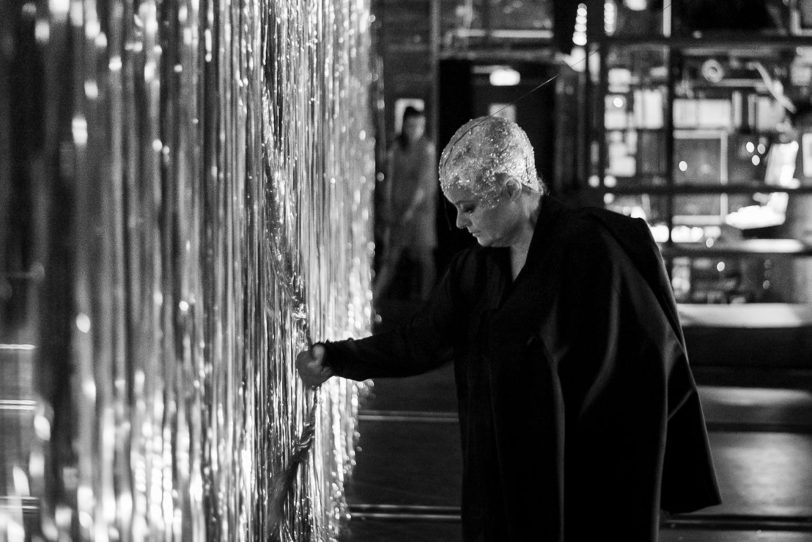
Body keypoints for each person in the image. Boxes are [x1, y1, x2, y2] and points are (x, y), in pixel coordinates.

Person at [298, 116, 721, 541]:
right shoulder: (478, 268)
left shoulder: (594, 253)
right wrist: (336, 357)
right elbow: (421, 341)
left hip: (586, 489)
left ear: (510, 189)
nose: (461, 224)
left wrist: (646, 483)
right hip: (500, 486)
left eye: (469, 207)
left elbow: (648, 367)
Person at [373, 106, 438, 302]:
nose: (414, 130)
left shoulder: (426, 148)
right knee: (392, 257)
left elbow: (422, 184)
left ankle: (428, 302)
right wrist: (388, 205)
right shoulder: (397, 148)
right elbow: (390, 178)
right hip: (398, 210)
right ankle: (374, 298)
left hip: (419, 213)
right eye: (411, 125)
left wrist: (409, 210)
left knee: (424, 258)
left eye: (419, 126)